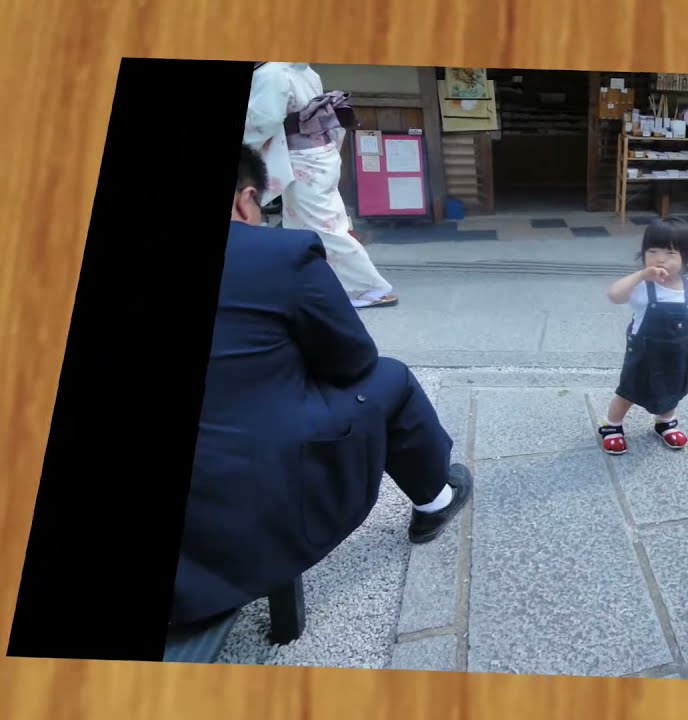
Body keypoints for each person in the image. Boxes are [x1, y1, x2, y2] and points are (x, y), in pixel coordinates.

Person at [169, 145, 472, 628]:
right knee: (389, 376)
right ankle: (434, 500)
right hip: (240, 511)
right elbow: (354, 361)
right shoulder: (278, 252)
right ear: (246, 201)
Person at [243, 61, 398, 309]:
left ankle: (370, 287)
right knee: (302, 224)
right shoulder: (303, 70)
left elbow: (263, 120)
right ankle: (302, 284)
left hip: (302, 157)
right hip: (318, 153)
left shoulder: (273, 72)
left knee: (323, 226)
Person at [599, 217, 688, 454]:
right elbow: (614, 295)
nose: (660, 258)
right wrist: (640, 275)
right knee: (629, 390)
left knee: (672, 391)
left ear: (686, 259)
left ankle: (665, 422)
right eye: (652, 251)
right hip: (643, 354)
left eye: (670, 252)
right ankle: (612, 425)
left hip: (676, 356)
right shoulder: (643, 288)